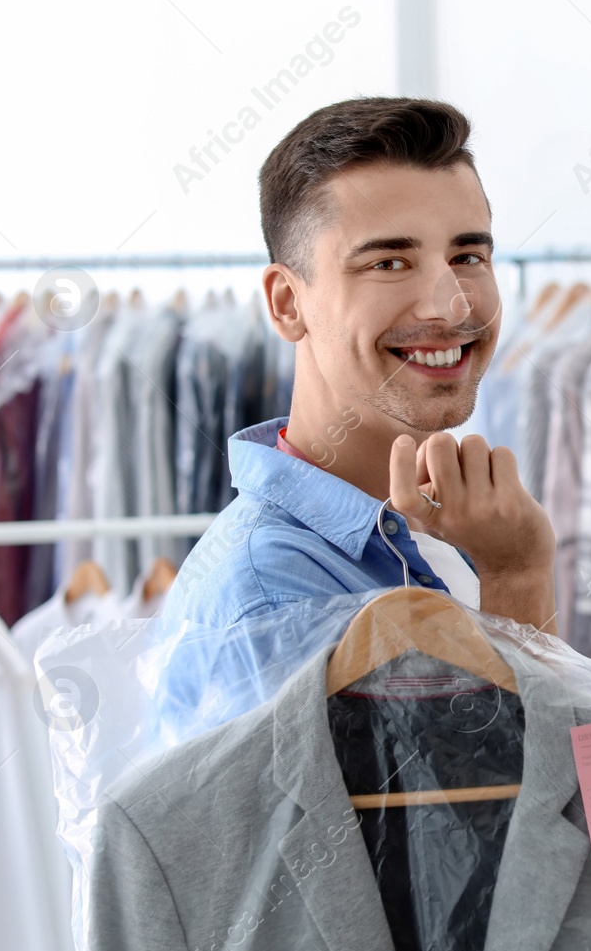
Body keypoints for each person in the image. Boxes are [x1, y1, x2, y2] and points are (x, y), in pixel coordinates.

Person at [164, 97, 555, 633]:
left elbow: (572, 718)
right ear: (287, 302)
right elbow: (527, 722)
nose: (453, 305)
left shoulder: (451, 530)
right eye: (389, 263)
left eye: (468, 257)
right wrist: (517, 578)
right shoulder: (272, 601)